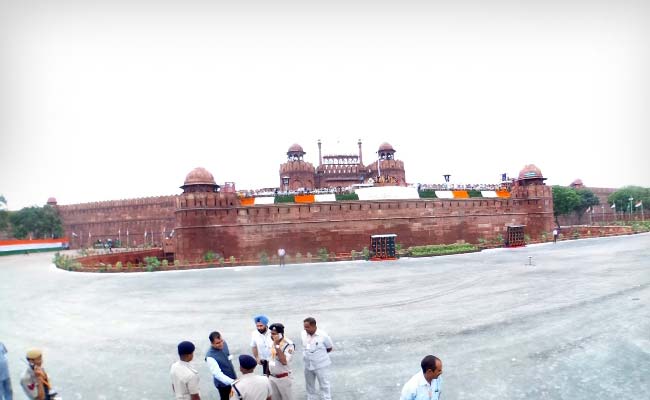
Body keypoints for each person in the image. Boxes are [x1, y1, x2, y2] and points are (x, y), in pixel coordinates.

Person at [301, 317, 333, 400]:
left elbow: (329, 348)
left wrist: (318, 356)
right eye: (304, 327)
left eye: (307, 327)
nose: (305, 329)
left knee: (324, 385)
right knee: (309, 385)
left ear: (313, 326)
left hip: (321, 365)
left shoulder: (323, 335)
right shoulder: (303, 334)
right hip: (308, 365)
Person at [205, 331, 237, 400]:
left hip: (233, 379)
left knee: (234, 397)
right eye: (217, 343)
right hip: (223, 385)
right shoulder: (210, 357)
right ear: (212, 343)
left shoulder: (224, 344)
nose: (221, 344)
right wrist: (233, 382)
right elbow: (217, 374)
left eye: (221, 341)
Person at [268, 323, 295, 400]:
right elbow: (270, 359)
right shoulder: (271, 342)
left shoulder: (289, 344)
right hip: (272, 377)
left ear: (280, 334)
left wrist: (277, 345)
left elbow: (284, 361)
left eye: (274, 334)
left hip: (283, 378)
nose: (272, 336)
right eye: (271, 333)